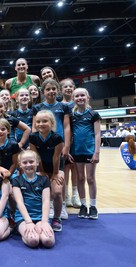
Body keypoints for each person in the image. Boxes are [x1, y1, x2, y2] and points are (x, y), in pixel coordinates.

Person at [32, 78, 71, 220]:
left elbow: (66, 127)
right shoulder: (37, 109)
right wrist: (41, 170)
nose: (51, 91)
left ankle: (61, 207)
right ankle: (46, 207)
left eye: (54, 89)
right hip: (42, 149)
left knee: (59, 182)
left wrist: (66, 146)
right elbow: (35, 154)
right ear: (43, 92)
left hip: (57, 147)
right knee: (43, 186)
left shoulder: (63, 107)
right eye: (48, 89)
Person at [29, 110, 64, 232]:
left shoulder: (57, 138)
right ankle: (39, 216)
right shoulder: (33, 137)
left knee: (57, 192)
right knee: (38, 190)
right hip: (42, 167)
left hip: (57, 167)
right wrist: (42, 171)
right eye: (38, 121)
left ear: (52, 122)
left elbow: (56, 157)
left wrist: (55, 174)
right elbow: (36, 156)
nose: (41, 124)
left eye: (44, 121)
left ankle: (57, 217)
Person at [12, 150, 55, 248]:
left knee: (48, 241)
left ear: (37, 162)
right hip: (23, 218)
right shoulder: (16, 180)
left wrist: (44, 221)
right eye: (25, 162)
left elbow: (46, 201)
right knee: (33, 241)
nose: (28, 165)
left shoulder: (44, 180)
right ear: (20, 165)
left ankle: (38, 228)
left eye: (31, 161)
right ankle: (21, 231)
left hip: (40, 217)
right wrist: (29, 222)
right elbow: (20, 202)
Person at [70, 88, 101, 219]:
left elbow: (98, 134)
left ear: (87, 97)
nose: (80, 98)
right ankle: (83, 205)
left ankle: (93, 206)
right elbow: (70, 134)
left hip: (89, 150)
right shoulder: (72, 115)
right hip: (77, 152)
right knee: (80, 179)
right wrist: (69, 151)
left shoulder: (93, 114)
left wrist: (97, 152)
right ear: (73, 99)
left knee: (90, 178)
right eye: (77, 96)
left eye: (82, 95)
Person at [60, 78, 81, 208]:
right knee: (65, 168)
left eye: (70, 86)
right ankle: (66, 195)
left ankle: (75, 194)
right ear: (61, 90)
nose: (68, 88)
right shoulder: (60, 106)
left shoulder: (78, 104)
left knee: (76, 169)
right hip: (65, 141)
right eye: (65, 87)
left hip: (77, 141)